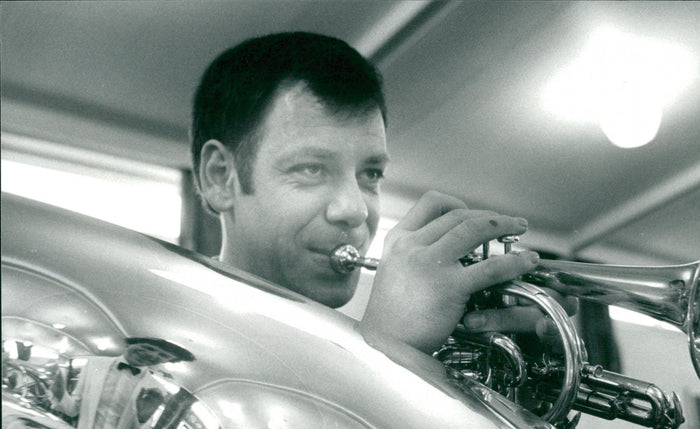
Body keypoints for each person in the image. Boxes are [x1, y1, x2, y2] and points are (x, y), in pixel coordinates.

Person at [191, 32, 571, 356]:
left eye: (370, 174)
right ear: (221, 178)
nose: (355, 210)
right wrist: (386, 354)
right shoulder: (168, 337)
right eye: (311, 169)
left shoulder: (358, 343)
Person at [51, 337, 194, 429]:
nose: (151, 355)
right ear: (129, 344)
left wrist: (143, 417)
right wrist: (59, 392)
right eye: (148, 347)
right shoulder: (94, 364)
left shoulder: (156, 389)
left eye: (162, 355)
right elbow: (72, 410)